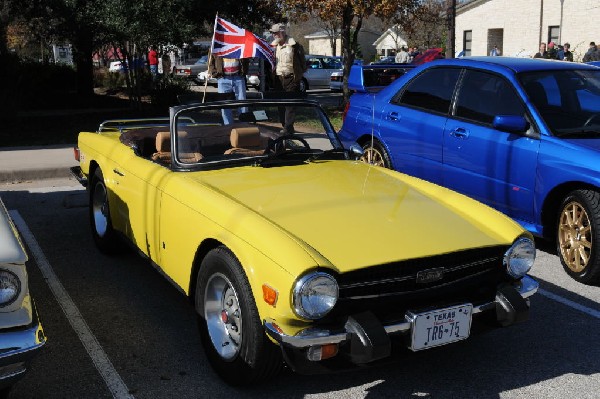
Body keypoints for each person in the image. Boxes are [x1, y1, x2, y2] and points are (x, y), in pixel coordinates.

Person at [270, 23, 307, 134]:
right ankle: (285, 126)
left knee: (290, 105)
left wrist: (298, 76)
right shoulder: (273, 47)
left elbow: (303, 63)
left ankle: (288, 128)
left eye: (276, 33)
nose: (274, 35)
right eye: (273, 33)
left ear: (283, 32)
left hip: (291, 78)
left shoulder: (295, 46)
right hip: (278, 79)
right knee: (280, 105)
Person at [208, 52, 249, 125]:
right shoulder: (216, 44)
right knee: (224, 104)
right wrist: (215, 73)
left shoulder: (239, 43)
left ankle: (244, 125)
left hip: (238, 77)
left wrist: (244, 71)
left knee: (242, 102)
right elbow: (210, 62)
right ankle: (228, 126)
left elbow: (246, 57)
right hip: (223, 78)